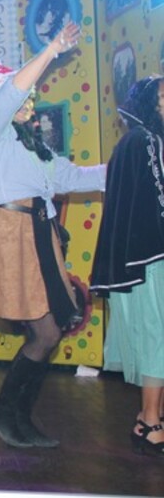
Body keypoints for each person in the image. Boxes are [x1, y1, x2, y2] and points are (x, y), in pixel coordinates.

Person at [0, 20, 106, 449]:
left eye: (31, 99)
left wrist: (126, 168)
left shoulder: (36, 148)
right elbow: (12, 91)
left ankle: (11, 413)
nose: (27, 102)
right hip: (13, 233)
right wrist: (52, 49)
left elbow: (78, 176)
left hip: (39, 234)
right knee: (45, 333)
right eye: (22, 97)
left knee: (50, 332)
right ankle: (5, 413)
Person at [90, 77, 164, 458]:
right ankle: (151, 421)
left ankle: (148, 417)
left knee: (156, 335)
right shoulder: (146, 142)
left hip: (141, 258)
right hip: (150, 258)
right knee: (156, 336)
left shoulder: (132, 143)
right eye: (163, 97)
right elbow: (158, 199)